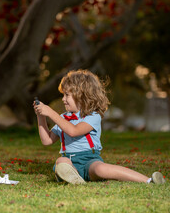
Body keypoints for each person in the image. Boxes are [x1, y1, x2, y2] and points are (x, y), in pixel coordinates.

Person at [33, 69, 165, 184]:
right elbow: (47, 140)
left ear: (82, 96)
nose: (63, 99)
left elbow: (74, 131)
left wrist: (51, 112)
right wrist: (41, 116)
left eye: (67, 95)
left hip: (89, 161)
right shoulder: (64, 118)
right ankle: (75, 178)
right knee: (61, 161)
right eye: (63, 95)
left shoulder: (93, 116)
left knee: (100, 169)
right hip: (70, 161)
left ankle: (148, 180)